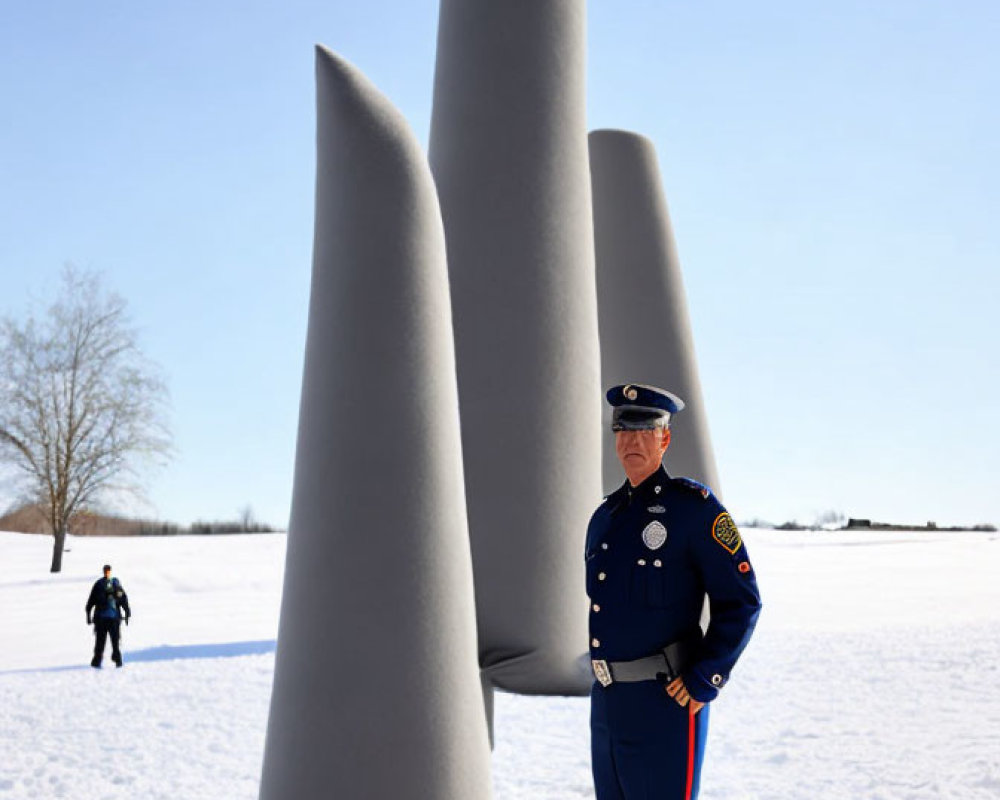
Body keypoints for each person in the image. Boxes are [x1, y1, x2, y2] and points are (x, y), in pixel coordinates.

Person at [586, 383, 762, 800]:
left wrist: (705, 678)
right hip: (609, 703)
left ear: (665, 438)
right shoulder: (604, 518)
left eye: (646, 429)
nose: (632, 440)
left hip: (666, 702)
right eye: (623, 429)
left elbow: (741, 602)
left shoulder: (694, 510)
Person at [85, 564, 131, 668]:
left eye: (108, 571)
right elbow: (91, 600)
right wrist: (88, 614)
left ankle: (116, 660)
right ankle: (98, 661)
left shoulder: (114, 584)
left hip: (112, 618)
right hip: (103, 619)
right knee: (101, 642)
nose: (107, 572)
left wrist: (127, 611)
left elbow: (123, 598)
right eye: (106, 570)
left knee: (114, 642)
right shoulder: (99, 585)